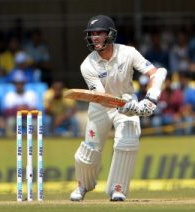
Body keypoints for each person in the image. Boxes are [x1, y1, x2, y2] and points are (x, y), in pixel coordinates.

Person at [70, 15, 167, 202]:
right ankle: (82, 186)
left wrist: (150, 99)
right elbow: (100, 96)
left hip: (127, 97)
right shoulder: (87, 64)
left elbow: (155, 73)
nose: (94, 37)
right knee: (89, 150)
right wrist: (124, 107)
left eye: (99, 33)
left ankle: (118, 189)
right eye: (91, 34)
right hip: (100, 105)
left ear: (110, 34)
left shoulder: (128, 53)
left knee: (128, 142)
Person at [3, 70, 37, 137]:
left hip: (28, 119)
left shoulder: (31, 94)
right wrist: (21, 109)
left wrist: (20, 110)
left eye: (21, 83)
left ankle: (33, 140)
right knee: (10, 121)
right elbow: (7, 112)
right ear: (14, 84)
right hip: (15, 119)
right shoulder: (9, 95)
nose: (19, 85)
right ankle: (10, 140)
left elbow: (34, 111)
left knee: (35, 122)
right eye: (17, 83)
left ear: (24, 83)